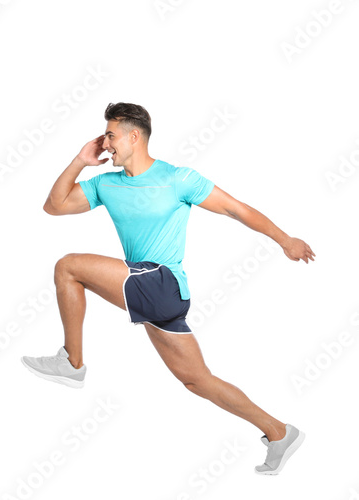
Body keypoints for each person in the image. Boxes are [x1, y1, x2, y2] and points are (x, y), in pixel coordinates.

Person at [21, 102, 315, 475]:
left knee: (68, 267)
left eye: (111, 135)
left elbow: (236, 209)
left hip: (161, 282)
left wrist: (284, 239)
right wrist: (80, 159)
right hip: (149, 291)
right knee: (197, 380)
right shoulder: (105, 184)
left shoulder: (177, 178)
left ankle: (72, 362)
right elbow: (54, 206)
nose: (106, 143)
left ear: (134, 136)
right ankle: (279, 432)